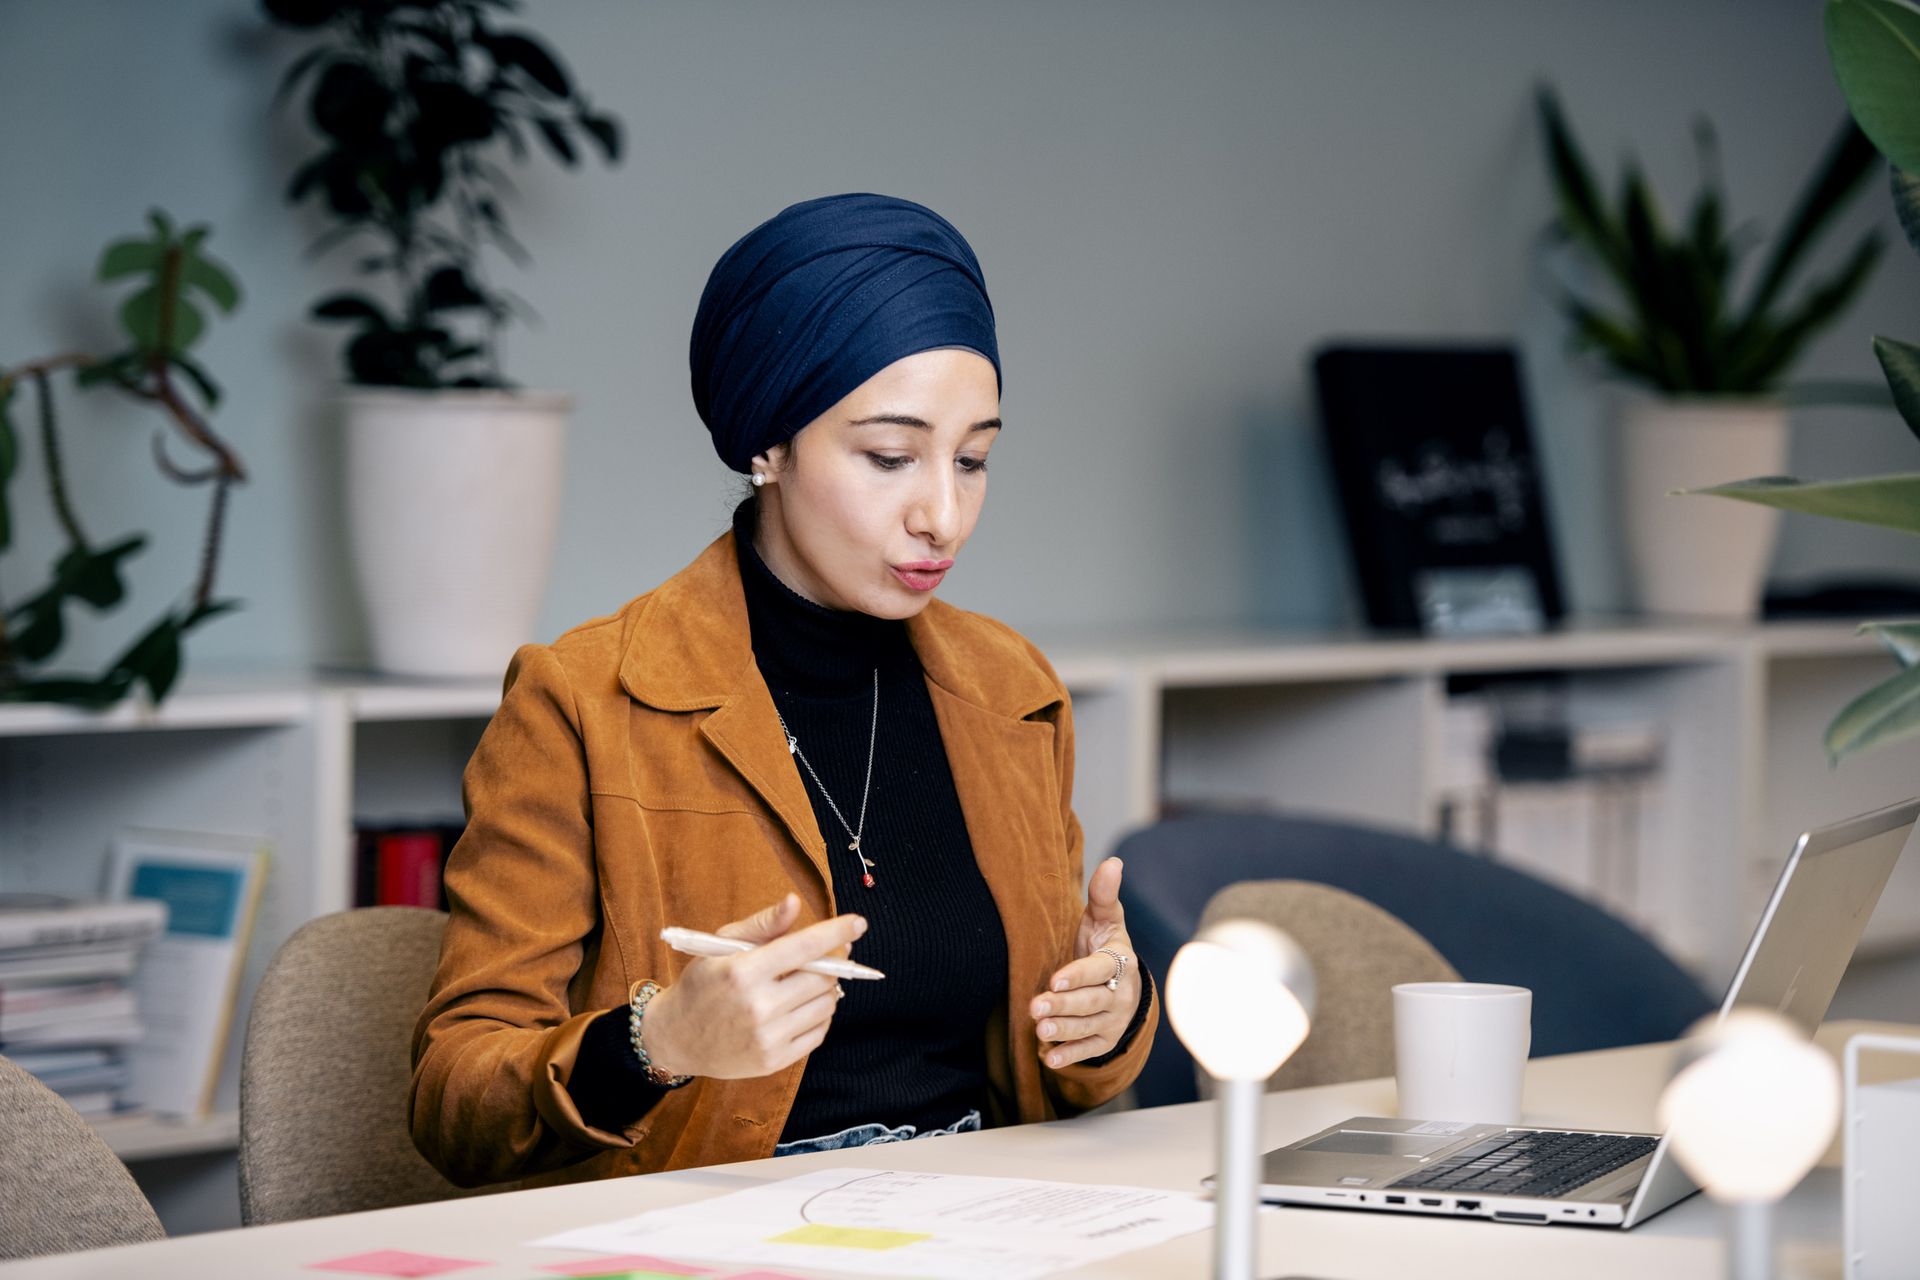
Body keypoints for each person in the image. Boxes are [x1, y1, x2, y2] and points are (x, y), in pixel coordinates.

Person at [409, 193, 1157, 1188]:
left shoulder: (1010, 687)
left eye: (974, 458)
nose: (944, 513)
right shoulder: (581, 700)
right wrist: (657, 1038)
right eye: (890, 457)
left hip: (993, 1211)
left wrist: (1111, 1010)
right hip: (727, 1235)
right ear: (770, 445)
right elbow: (454, 1099)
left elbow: (1065, 1082)